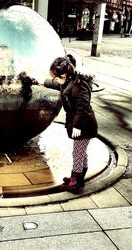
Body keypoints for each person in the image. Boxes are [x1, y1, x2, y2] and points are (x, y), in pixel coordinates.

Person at [43, 55, 98, 194]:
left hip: (84, 126)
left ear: (64, 75)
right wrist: (43, 82)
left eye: (56, 77)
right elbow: (58, 85)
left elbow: (83, 107)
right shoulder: (69, 81)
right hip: (81, 124)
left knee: (77, 153)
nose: (55, 79)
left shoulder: (78, 86)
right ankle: (79, 178)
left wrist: (77, 126)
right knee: (81, 152)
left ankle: (75, 183)